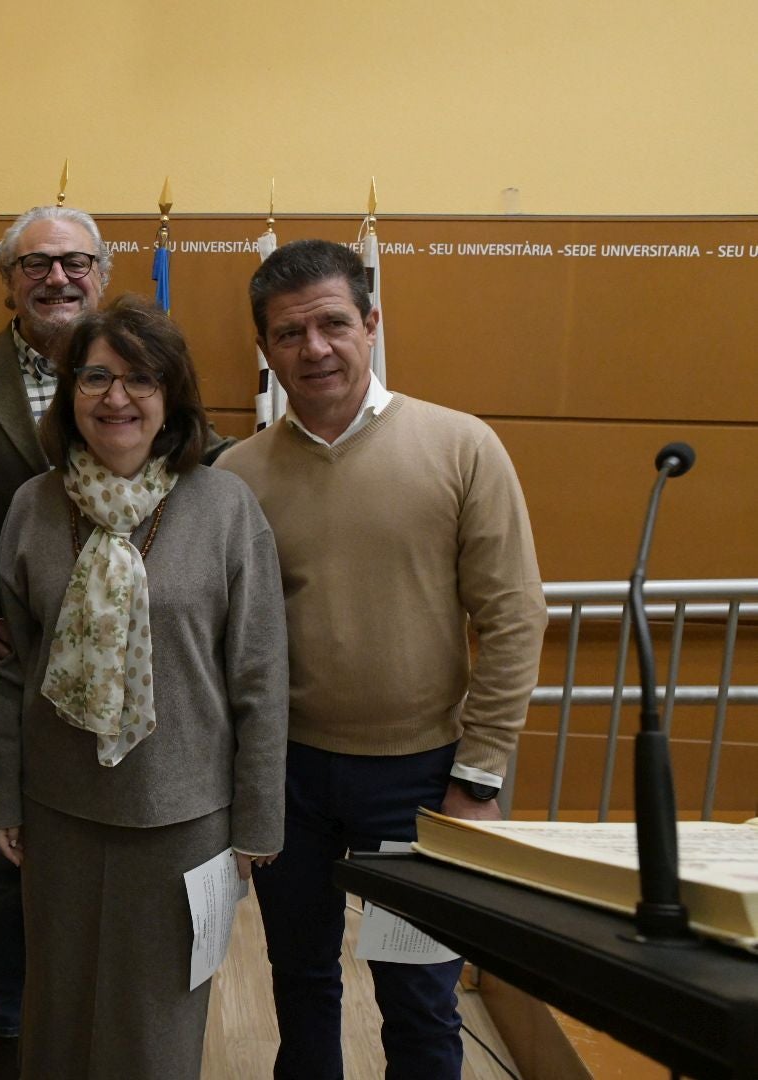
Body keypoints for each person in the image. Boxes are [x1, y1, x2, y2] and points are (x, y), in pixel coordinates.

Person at [219, 238, 547, 1079]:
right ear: (265, 349)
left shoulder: (461, 446)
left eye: (333, 324)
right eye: (289, 334)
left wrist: (477, 779)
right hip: (289, 781)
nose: (314, 348)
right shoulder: (238, 475)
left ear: (371, 324)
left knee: (418, 995)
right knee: (300, 981)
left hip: (423, 787)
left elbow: (513, 618)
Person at [0, 295, 289, 1079]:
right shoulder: (33, 507)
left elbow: (259, 673)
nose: (116, 398)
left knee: (157, 1022)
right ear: (69, 394)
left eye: (140, 378)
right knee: (55, 1012)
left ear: (172, 397)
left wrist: (256, 823)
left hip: (184, 817)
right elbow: (11, 670)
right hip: (58, 812)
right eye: (95, 377)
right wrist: (6, 802)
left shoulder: (225, 509)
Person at [0, 204, 108, 1078]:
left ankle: (86, 1027)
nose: (59, 277)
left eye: (77, 262)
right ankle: (11, 1027)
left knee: (98, 863)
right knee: (3, 861)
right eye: (38, 263)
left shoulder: (131, 366)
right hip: (2, 662)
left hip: (119, 665)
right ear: (7, 280)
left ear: (101, 276)